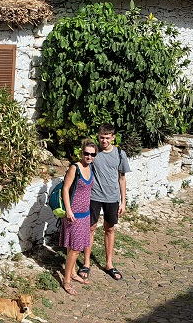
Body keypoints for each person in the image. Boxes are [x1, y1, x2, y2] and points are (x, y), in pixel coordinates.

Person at [80, 124, 130, 281]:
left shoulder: (120, 154)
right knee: (90, 228)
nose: (104, 140)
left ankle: (109, 264)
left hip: (112, 198)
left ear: (113, 137)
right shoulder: (94, 153)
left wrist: (123, 201)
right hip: (94, 197)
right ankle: (86, 263)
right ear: (98, 137)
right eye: (102, 137)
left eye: (107, 137)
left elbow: (122, 178)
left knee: (109, 229)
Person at [61, 140, 97, 295]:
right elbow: (65, 188)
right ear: (82, 153)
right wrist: (68, 210)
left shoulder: (91, 168)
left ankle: (73, 273)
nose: (89, 156)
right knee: (75, 249)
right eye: (86, 153)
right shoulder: (74, 168)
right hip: (74, 214)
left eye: (92, 154)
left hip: (85, 213)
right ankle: (66, 281)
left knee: (74, 247)